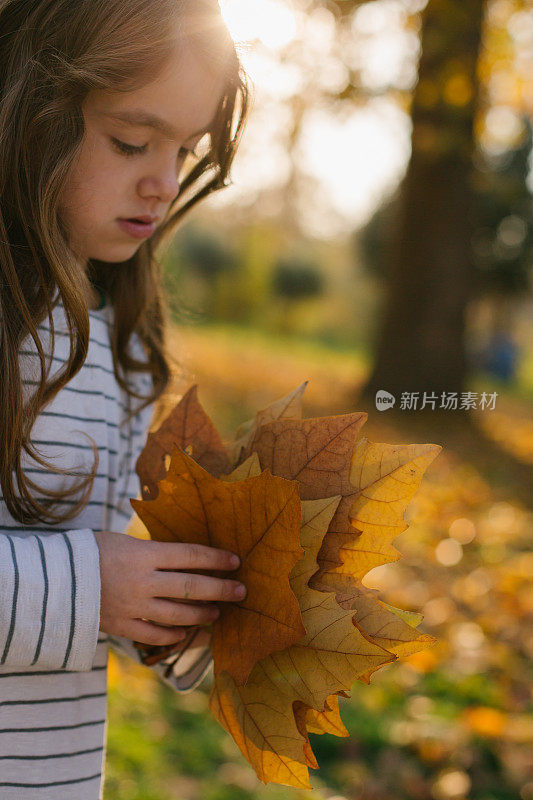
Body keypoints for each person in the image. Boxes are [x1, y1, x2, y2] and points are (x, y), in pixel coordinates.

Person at [0, 0, 250, 797]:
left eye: (184, 148)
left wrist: (186, 612)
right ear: (28, 109)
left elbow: (98, 593)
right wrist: (90, 586)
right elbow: (85, 583)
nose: (163, 181)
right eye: (132, 141)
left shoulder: (123, 346)